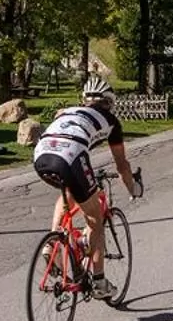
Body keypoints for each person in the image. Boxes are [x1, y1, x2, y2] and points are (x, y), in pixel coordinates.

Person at [31, 75, 140, 299]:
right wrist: (134, 189)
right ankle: (99, 281)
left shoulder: (66, 111)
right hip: (70, 157)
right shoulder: (110, 121)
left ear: (84, 100)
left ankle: (53, 244)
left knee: (69, 193)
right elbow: (122, 165)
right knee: (95, 218)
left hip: (42, 155)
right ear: (109, 103)